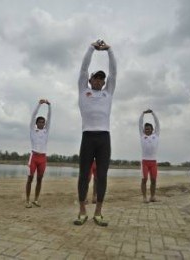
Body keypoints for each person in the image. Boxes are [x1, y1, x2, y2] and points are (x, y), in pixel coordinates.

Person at [74, 40, 117, 227]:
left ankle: (98, 212)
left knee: (102, 175)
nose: (99, 81)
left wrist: (109, 50)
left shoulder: (108, 93)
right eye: (96, 78)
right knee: (84, 175)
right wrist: (91, 48)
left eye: (102, 79)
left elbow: (114, 72)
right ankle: (82, 211)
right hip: (88, 137)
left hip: (104, 138)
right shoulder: (84, 91)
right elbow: (83, 68)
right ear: (90, 80)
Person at [25, 99, 51, 208]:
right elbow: (33, 115)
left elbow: (50, 117)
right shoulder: (32, 130)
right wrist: (39, 104)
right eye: (39, 122)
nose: (41, 123)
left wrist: (49, 106)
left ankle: (36, 200)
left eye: (43, 122)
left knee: (39, 179)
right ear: (36, 123)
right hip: (34, 157)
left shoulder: (46, 131)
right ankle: (27, 200)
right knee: (30, 179)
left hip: (43, 158)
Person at [139, 109, 160, 203]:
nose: (147, 130)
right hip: (145, 162)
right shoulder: (142, 135)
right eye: (146, 129)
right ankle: (144, 197)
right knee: (144, 179)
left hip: (153, 162)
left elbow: (157, 123)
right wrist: (143, 114)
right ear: (144, 130)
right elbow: (139, 124)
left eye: (149, 129)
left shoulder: (156, 135)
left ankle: (152, 196)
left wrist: (153, 113)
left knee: (154, 180)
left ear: (152, 129)